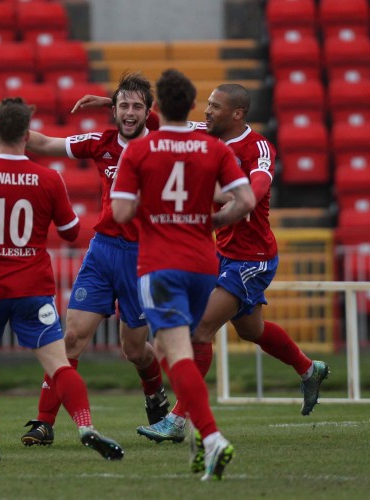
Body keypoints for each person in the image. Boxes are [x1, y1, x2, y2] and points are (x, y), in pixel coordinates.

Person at [135, 84, 330, 456]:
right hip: (225, 253)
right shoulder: (203, 135)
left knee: (200, 329)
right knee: (251, 329)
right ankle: (309, 369)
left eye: (214, 106)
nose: (206, 112)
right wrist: (120, 106)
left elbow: (258, 184)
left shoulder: (256, 147)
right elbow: (166, 123)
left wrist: (230, 204)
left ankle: (177, 421)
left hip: (251, 257)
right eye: (206, 105)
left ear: (237, 114)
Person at [0, 72, 170, 448]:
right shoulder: (101, 142)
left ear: (149, 112)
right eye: (123, 106)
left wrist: (113, 100)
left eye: (137, 107)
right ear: (113, 111)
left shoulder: (163, 145)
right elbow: (45, 143)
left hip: (143, 258)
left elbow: (197, 125)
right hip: (103, 252)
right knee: (71, 340)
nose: (130, 113)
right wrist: (5, 123)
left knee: (134, 350)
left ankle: (154, 393)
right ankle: (44, 422)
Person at [0, 97, 124, 462]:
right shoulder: (49, 178)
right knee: (57, 363)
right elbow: (71, 231)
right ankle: (85, 425)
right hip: (33, 286)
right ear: (27, 135)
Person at [111, 69, 256, 480]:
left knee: (170, 352)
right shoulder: (213, 149)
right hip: (204, 264)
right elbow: (243, 201)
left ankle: (211, 437)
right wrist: (211, 220)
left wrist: (155, 210)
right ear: (192, 106)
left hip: (161, 264)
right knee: (185, 349)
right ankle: (198, 443)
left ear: (155, 109)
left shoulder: (140, 150)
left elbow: (121, 211)